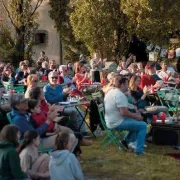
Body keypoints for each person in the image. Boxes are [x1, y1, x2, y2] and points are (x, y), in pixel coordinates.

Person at [10, 94, 78, 150]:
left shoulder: (24, 113)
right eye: (24, 101)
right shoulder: (19, 119)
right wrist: (48, 121)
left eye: (26, 100)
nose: (26, 102)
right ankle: (63, 160)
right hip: (35, 144)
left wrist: (51, 129)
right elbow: (34, 134)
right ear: (17, 106)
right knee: (70, 138)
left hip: (41, 137)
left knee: (73, 136)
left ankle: (67, 158)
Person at [104, 77, 147, 155]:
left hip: (110, 120)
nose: (128, 86)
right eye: (127, 84)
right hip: (116, 122)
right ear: (122, 85)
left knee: (136, 122)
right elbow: (124, 113)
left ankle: (125, 141)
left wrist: (134, 107)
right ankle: (139, 151)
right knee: (143, 125)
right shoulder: (120, 95)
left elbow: (125, 105)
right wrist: (136, 116)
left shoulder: (112, 92)